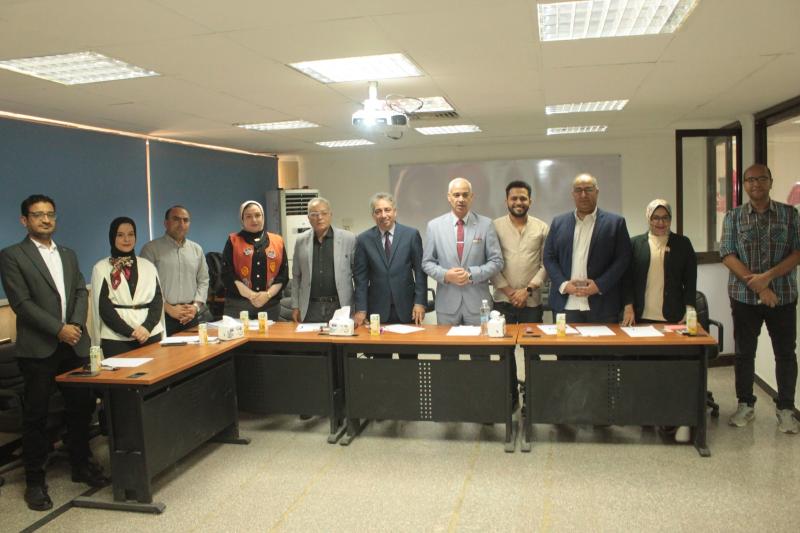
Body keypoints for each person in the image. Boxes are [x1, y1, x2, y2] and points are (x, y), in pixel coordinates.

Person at [0, 194, 109, 511]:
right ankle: (35, 481)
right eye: (38, 215)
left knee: (81, 407)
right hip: (39, 349)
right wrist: (58, 329)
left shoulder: (68, 254)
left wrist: (73, 325)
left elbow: (79, 292)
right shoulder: (12, 256)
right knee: (36, 415)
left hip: (73, 344)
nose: (46, 220)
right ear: (25, 220)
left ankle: (80, 463)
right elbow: (21, 303)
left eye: (50, 214)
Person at [721, 163, 800, 434]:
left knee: (785, 354)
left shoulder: (789, 214)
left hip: (783, 297)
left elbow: (798, 252)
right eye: (750, 180)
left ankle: (786, 410)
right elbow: (728, 254)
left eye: (761, 179)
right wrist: (759, 287)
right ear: (744, 185)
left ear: (770, 181)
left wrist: (768, 277)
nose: (756, 184)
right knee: (744, 353)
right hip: (744, 297)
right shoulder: (733, 216)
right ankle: (745, 405)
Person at [621, 199, 697, 443]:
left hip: (671, 318)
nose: (660, 222)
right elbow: (626, 279)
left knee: (669, 369)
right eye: (656, 217)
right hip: (642, 316)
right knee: (644, 369)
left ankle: (669, 416)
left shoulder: (683, 244)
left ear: (670, 220)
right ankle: (645, 413)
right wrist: (628, 305)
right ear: (648, 218)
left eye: (665, 218)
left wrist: (689, 309)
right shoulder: (635, 244)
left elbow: (690, 280)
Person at [543, 173, 631, 324]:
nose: (583, 195)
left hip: (602, 305)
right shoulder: (558, 223)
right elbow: (548, 258)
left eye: (588, 189)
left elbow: (623, 260)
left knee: (603, 341)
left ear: (597, 192)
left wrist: (599, 285)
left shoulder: (615, 223)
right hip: (565, 306)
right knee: (566, 342)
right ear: (573, 194)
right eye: (578, 190)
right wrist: (564, 284)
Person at [422, 177, 503, 326]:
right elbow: (427, 262)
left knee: (480, 342)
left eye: (465, 195)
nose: (461, 199)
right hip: (447, 305)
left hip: (478, 305)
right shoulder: (434, 226)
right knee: (447, 342)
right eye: (456, 195)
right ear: (449, 197)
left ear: (472, 197)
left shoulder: (486, 225)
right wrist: (446, 275)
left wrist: (472, 275)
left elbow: (497, 261)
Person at [90, 217, 164, 356]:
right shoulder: (101, 268)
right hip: (116, 338)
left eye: (131, 234)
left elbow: (157, 300)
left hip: (149, 333)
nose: (126, 239)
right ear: (112, 237)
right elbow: (104, 307)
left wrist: (147, 327)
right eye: (120, 235)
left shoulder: (148, 266)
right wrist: (129, 332)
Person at [354, 193, 427, 327]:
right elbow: (361, 279)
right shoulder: (364, 240)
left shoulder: (411, 235)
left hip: (408, 308)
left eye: (387, 210)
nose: (383, 215)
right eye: (378, 211)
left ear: (395, 211)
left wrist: (420, 303)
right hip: (376, 310)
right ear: (373, 215)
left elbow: (420, 272)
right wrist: (361, 309)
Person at [140, 205, 210, 335]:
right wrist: (168, 308)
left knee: (194, 348)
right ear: (166, 223)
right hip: (162, 315)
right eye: (176, 219)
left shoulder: (196, 249)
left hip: (191, 315)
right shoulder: (150, 249)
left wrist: (195, 307)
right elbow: (145, 285)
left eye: (185, 220)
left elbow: (203, 280)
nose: (181, 224)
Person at [492, 180, 549, 324]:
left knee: (532, 339)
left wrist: (527, 291)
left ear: (530, 201)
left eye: (523, 198)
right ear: (506, 201)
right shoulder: (494, 227)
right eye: (514, 198)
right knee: (502, 339)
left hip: (532, 301)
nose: (518, 202)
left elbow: (546, 264)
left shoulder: (542, 227)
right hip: (503, 301)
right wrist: (511, 293)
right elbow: (491, 264)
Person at [292, 197, 356, 323]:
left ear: (330, 215)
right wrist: (295, 306)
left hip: (340, 306)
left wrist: (359, 308)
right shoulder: (300, 241)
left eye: (324, 213)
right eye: (314, 214)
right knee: (310, 336)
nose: (319, 217)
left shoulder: (349, 239)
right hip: (310, 307)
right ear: (308, 217)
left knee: (341, 336)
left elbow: (358, 276)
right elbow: (296, 276)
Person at [222, 200, 288, 321]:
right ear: (242, 219)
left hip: (270, 306)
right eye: (248, 216)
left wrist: (267, 295)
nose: (254, 220)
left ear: (263, 217)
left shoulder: (278, 241)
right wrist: (251, 295)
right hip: (238, 306)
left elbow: (283, 274)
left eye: (258, 215)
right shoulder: (233, 241)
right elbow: (227, 274)